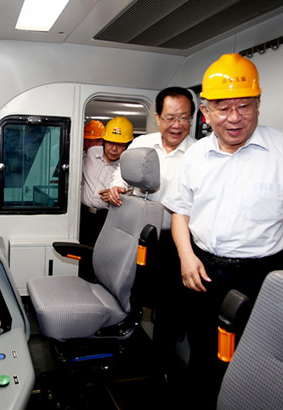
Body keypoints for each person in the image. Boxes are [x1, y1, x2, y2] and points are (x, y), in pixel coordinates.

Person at [162, 53, 283, 408]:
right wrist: (186, 257)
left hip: (262, 275)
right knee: (202, 353)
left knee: (254, 360)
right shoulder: (195, 156)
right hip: (203, 271)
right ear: (206, 112)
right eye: (223, 108)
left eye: (244, 106)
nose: (234, 118)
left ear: (258, 104)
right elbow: (180, 212)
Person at [107, 86, 197, 384]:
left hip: (174, 241)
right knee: (131, 293)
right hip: (137, 234)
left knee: (169, 306)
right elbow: (121, 176)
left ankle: (161, 365)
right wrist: (117, 187)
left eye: (184, 118)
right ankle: (126, 347)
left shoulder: (199, 153)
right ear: (158, 117)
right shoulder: (142, 145)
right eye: (170, 117)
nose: (177, 125)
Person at [80, 116, 133, 247]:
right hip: (82, 216)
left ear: (127, 146)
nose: (114, 149)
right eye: (110, 143)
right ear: (103, 141)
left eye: (120, 145)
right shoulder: (91, 153)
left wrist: (116, 196)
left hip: (109, 220)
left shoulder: (128, 167)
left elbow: (133, 200)